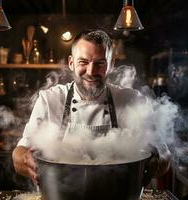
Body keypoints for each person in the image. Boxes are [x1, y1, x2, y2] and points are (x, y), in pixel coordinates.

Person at [12, 29, 171, 186]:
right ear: (71, 63)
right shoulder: (49, 100)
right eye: (83, 62)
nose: (91, 71)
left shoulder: (133, 100)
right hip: (61, 193)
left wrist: (156, 163)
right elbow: (19, 156)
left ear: (111, 65)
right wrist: (26, 161)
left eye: (99, 63)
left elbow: (164, 156)